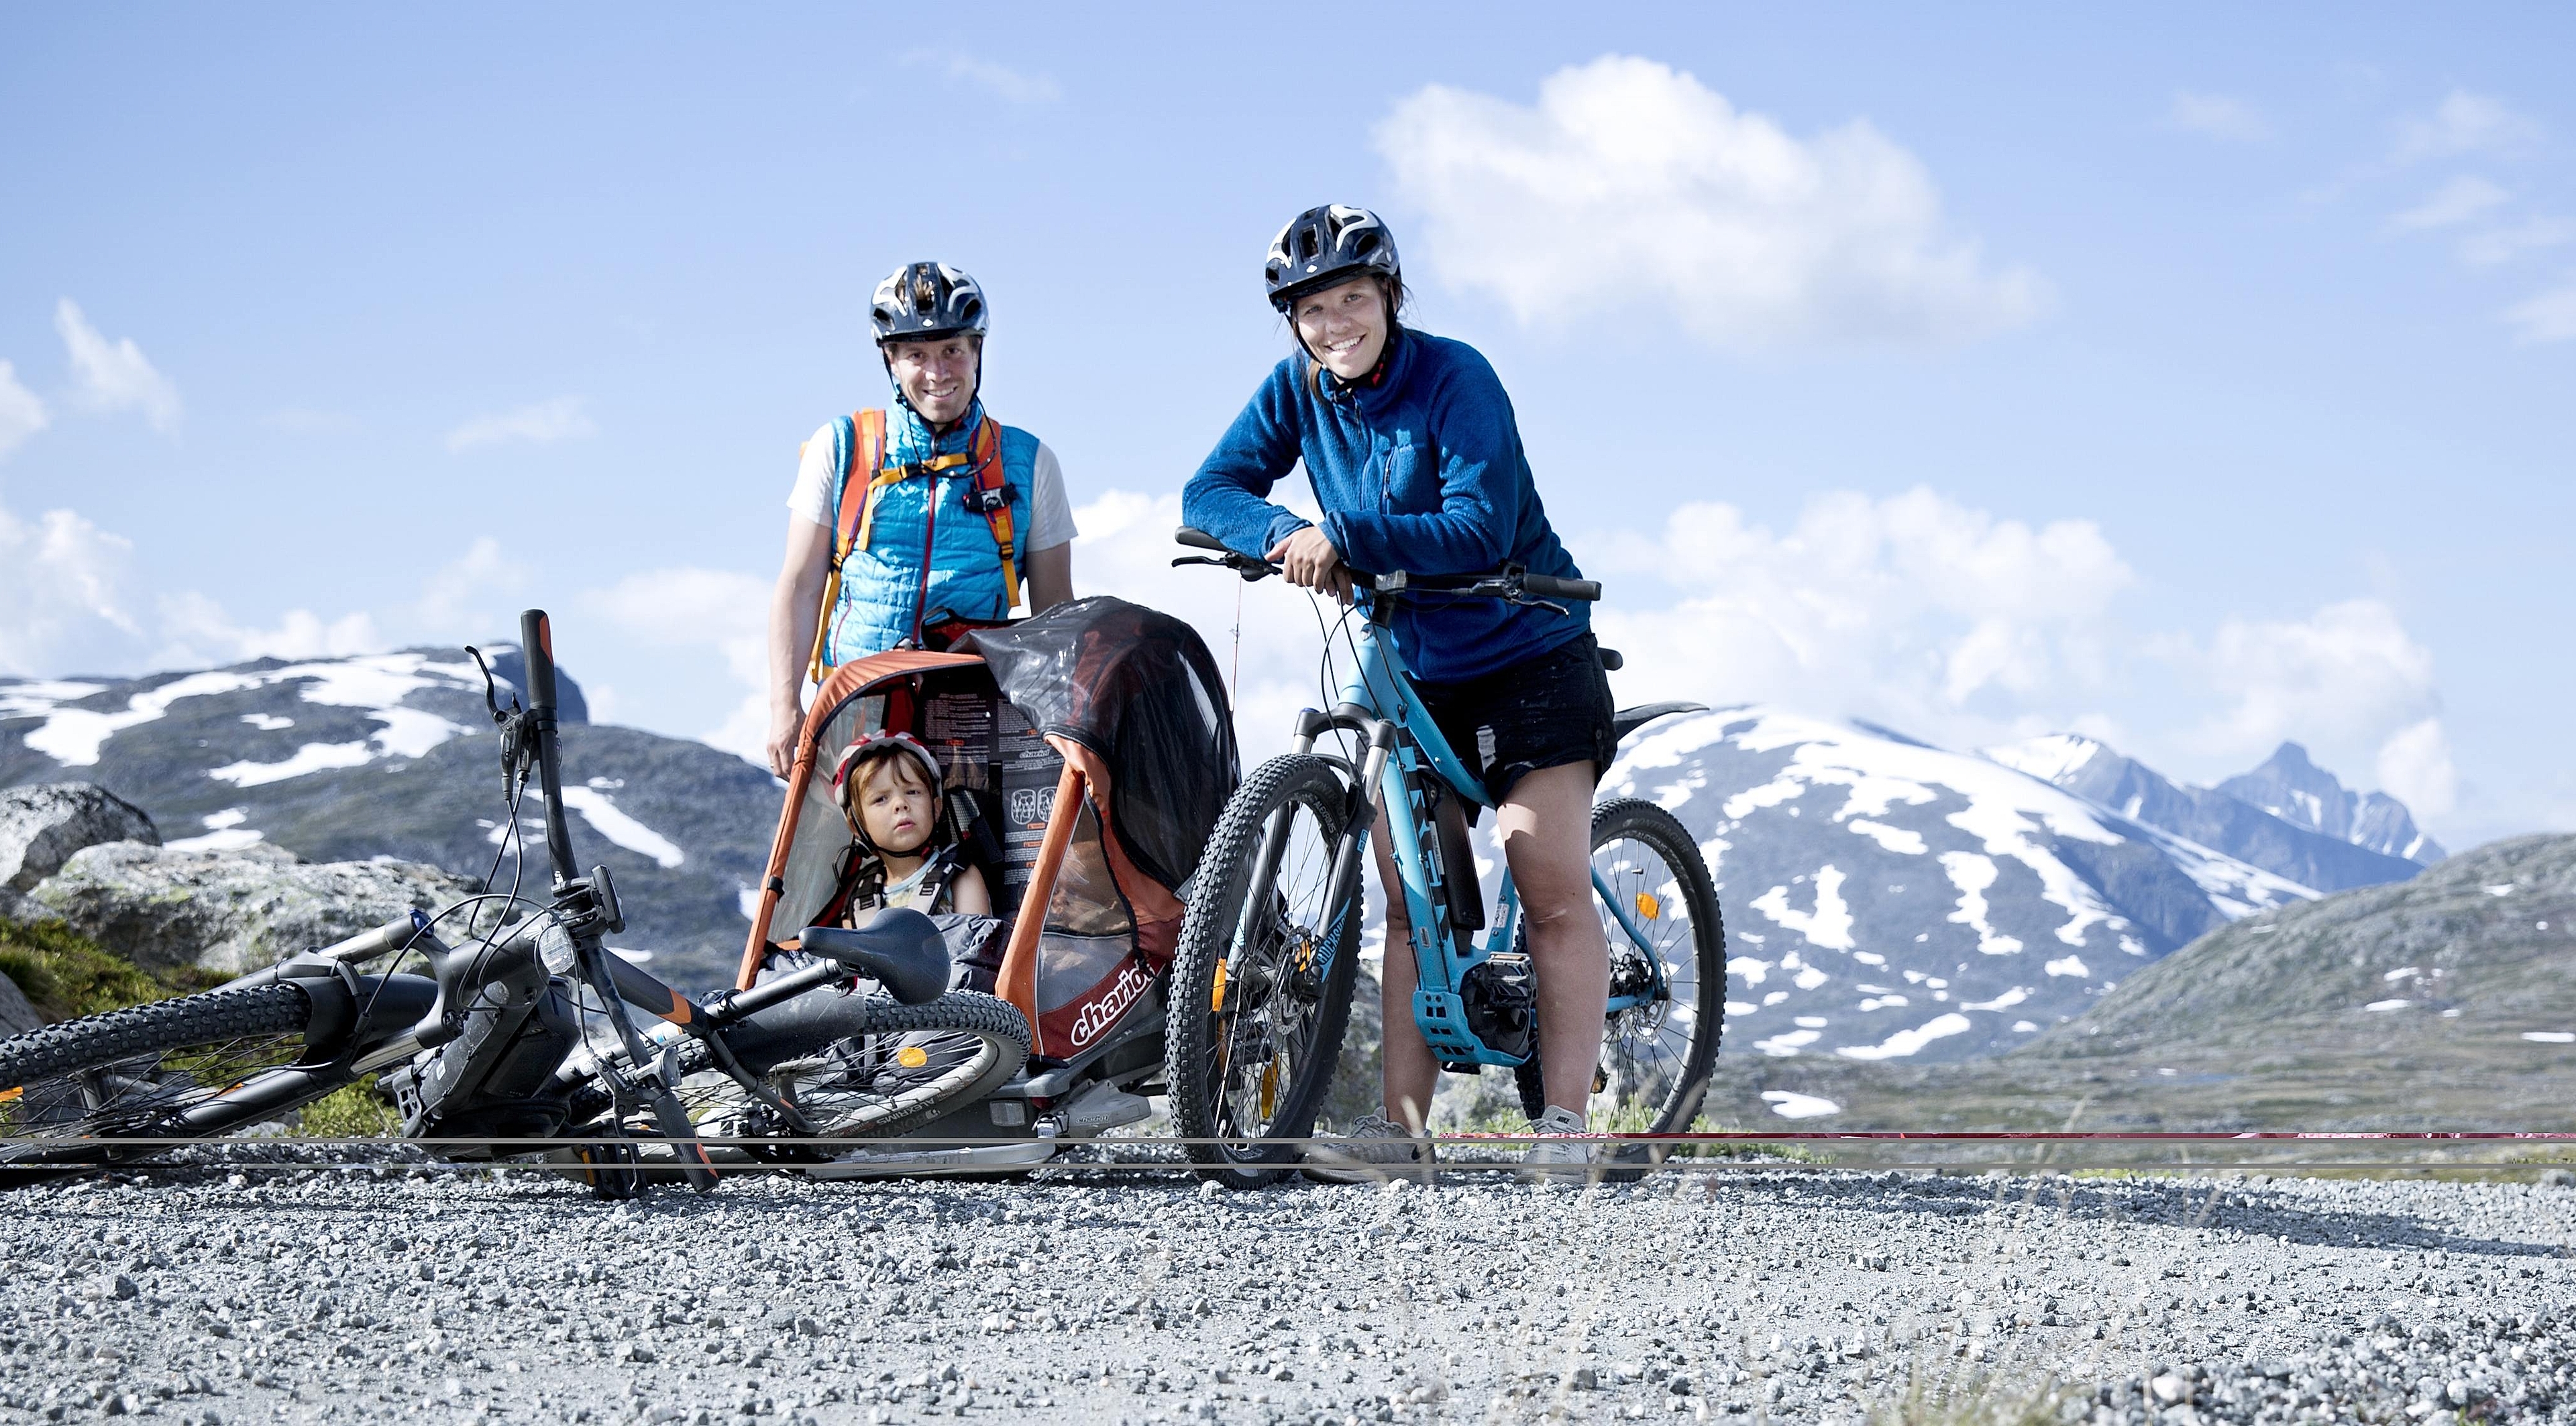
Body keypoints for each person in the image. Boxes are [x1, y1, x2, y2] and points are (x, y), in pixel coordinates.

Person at [1181, 204, 1617, 1180]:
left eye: (1352, 298)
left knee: (1542, 885)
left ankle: (1564, 1127)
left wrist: (1351, 535)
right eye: (1313, 310)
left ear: (1390, 295)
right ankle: (1404, 1131)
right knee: (1408, 891)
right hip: (1412, 667)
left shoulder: (1457, 376)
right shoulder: (1299, 389)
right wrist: (1283, 532)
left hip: (1529, 655)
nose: (1336, 324)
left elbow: (1479, 524)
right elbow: (1207, 493)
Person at [764, 261, 1079, 778]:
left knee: (985, 860)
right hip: (856, 708)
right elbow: (799, 585)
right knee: (835, 860)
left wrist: (1068, 727)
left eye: (953, 350)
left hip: (975, 714)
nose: (938, 372)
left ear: (978, 350)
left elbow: (1056, 616)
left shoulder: (1030, 462)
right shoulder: (841, 448)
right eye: (917, 355)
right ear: (891, 360)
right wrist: (784, 708)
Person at [822, 732, 992, 923]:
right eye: (881, 799)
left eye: (912, 792)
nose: (900, 804)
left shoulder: (961, 878)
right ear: (857, 825)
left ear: (936, 809)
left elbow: (978, 947)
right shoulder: (858, 899)